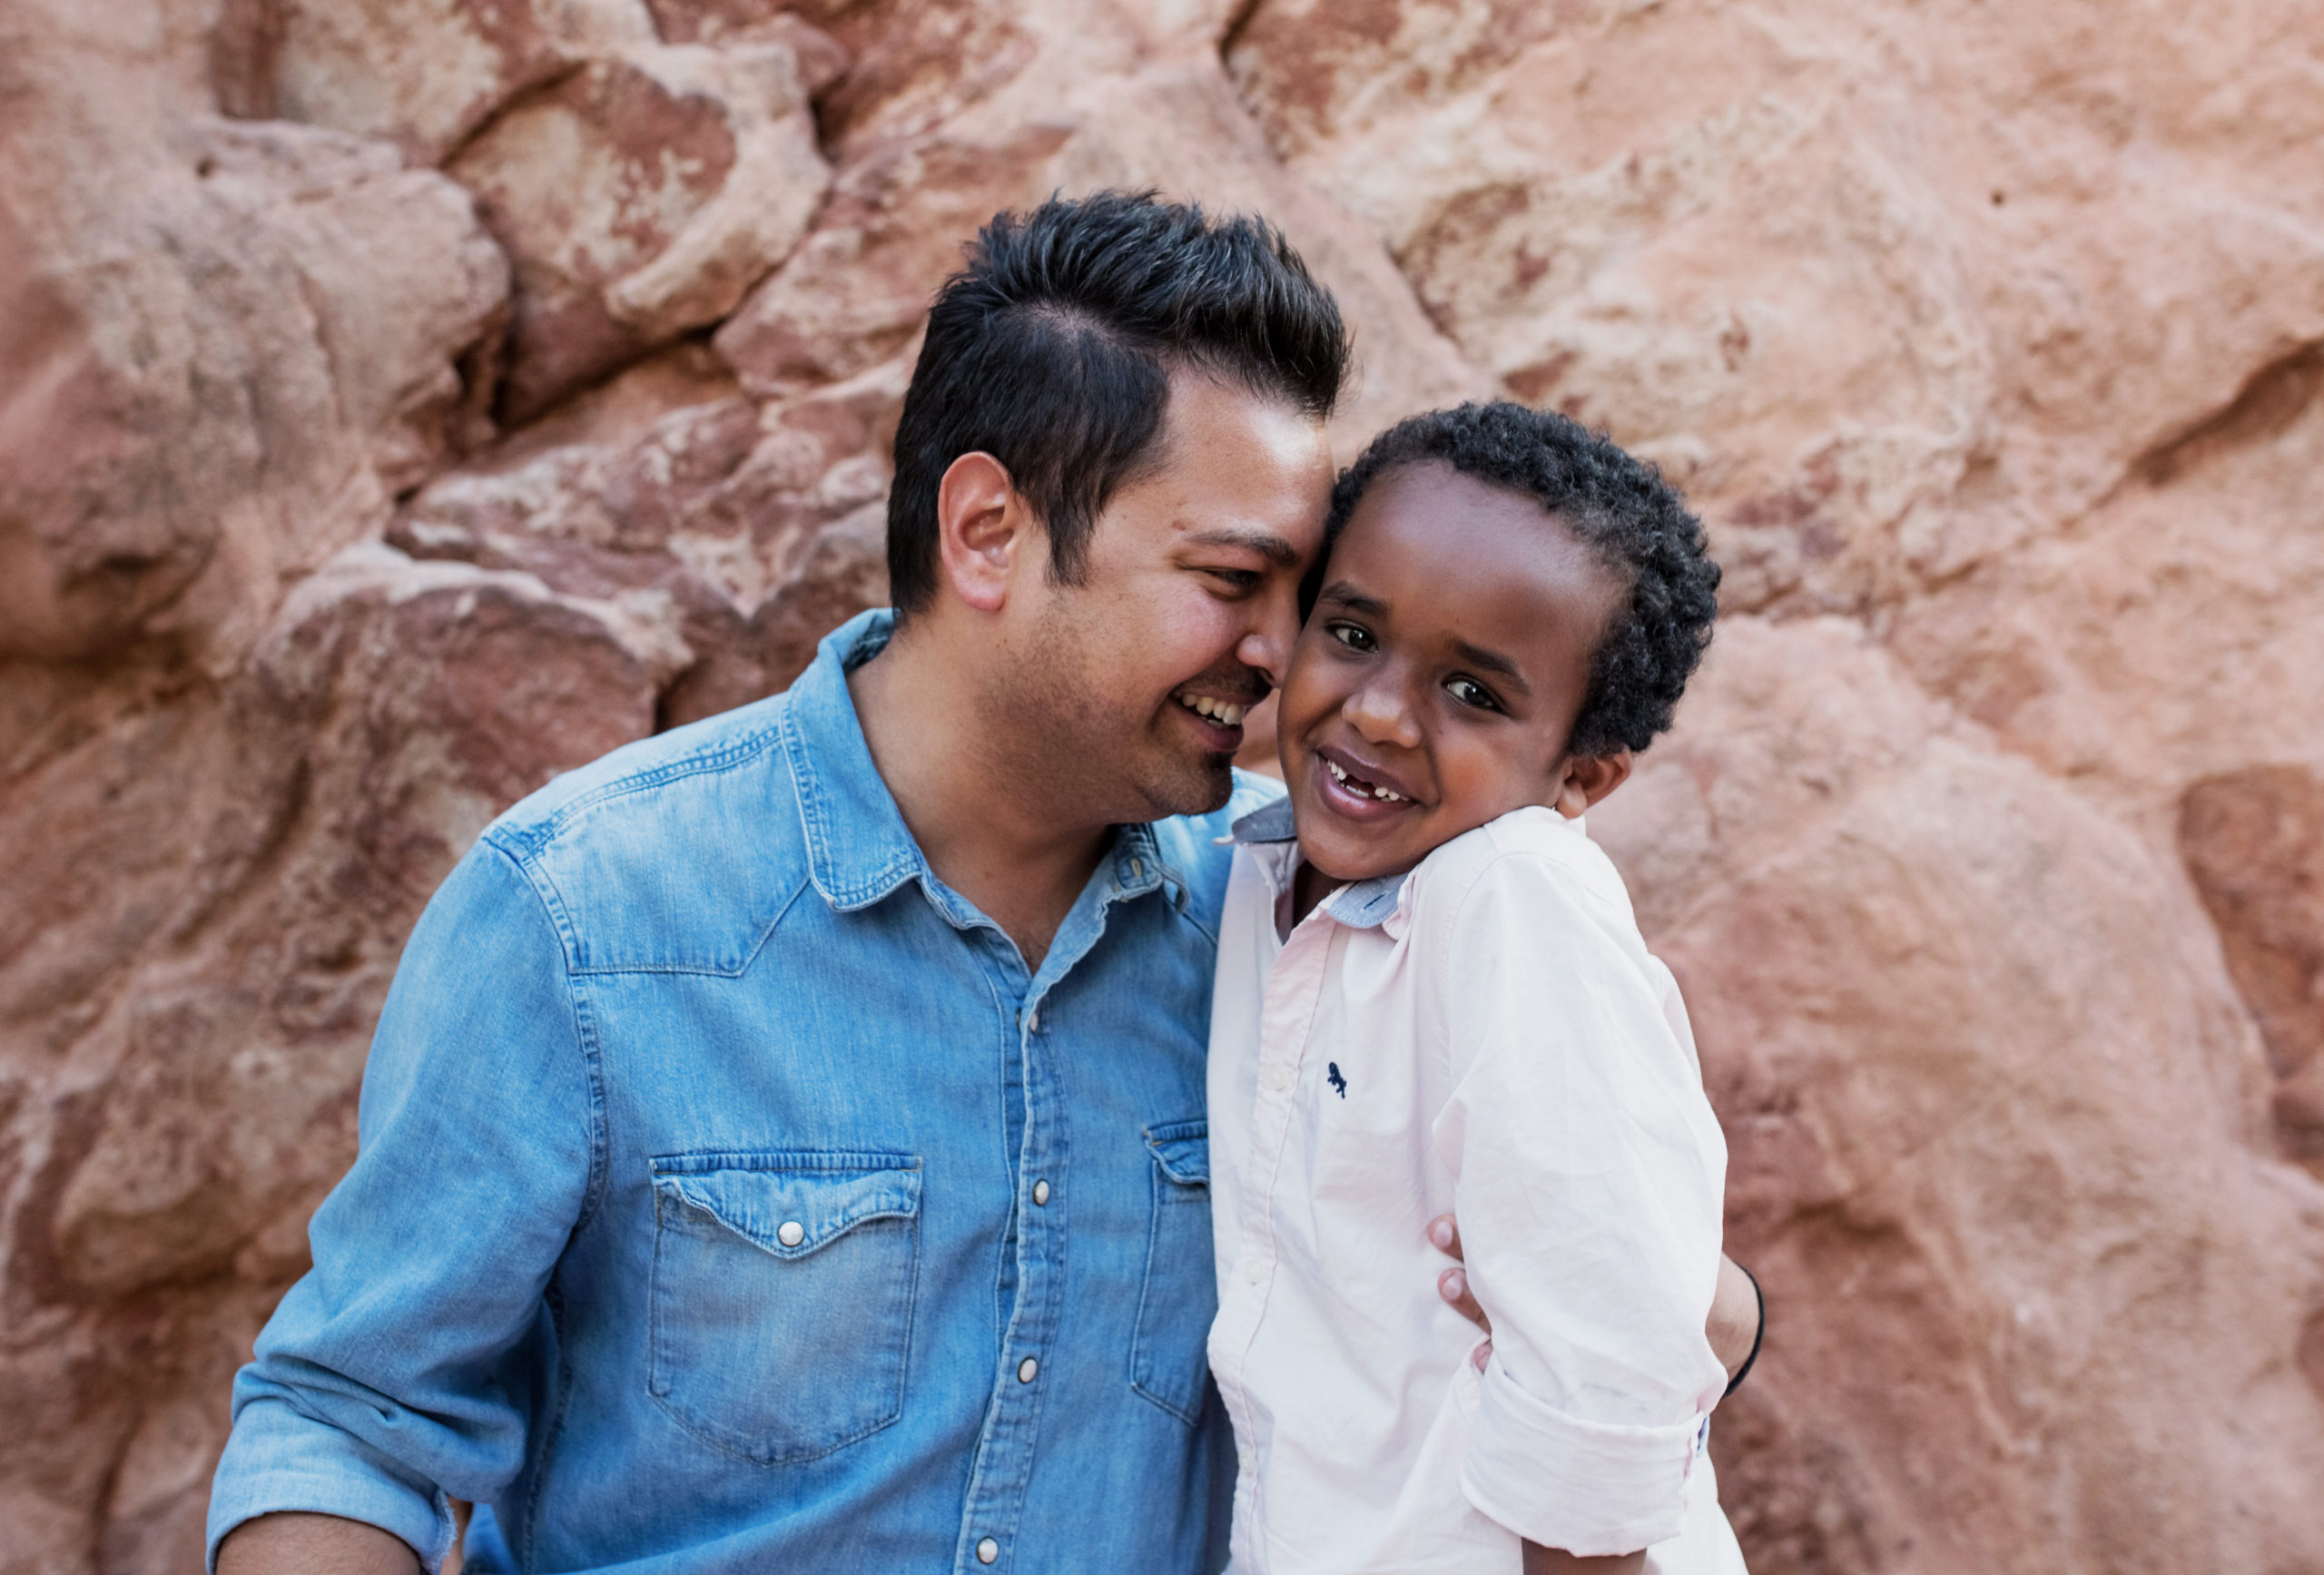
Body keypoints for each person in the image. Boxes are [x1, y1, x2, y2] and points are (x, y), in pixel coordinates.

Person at [207, 193, 1759, 1575]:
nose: (1286, 660)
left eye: (1305, 598)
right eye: (1233, 585)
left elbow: (1584, 1236)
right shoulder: (584, 913)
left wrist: (1680, 1316)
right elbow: (356, 1420)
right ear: (990, 532)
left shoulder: (1288, 938)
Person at [1205, 402, 1746, 1573]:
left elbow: (1607, 1376)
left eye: (1475, 695)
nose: (1383, 713)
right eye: (1351, 634)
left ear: (1582, 776)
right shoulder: (1250, 878)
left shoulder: (1513, 897)